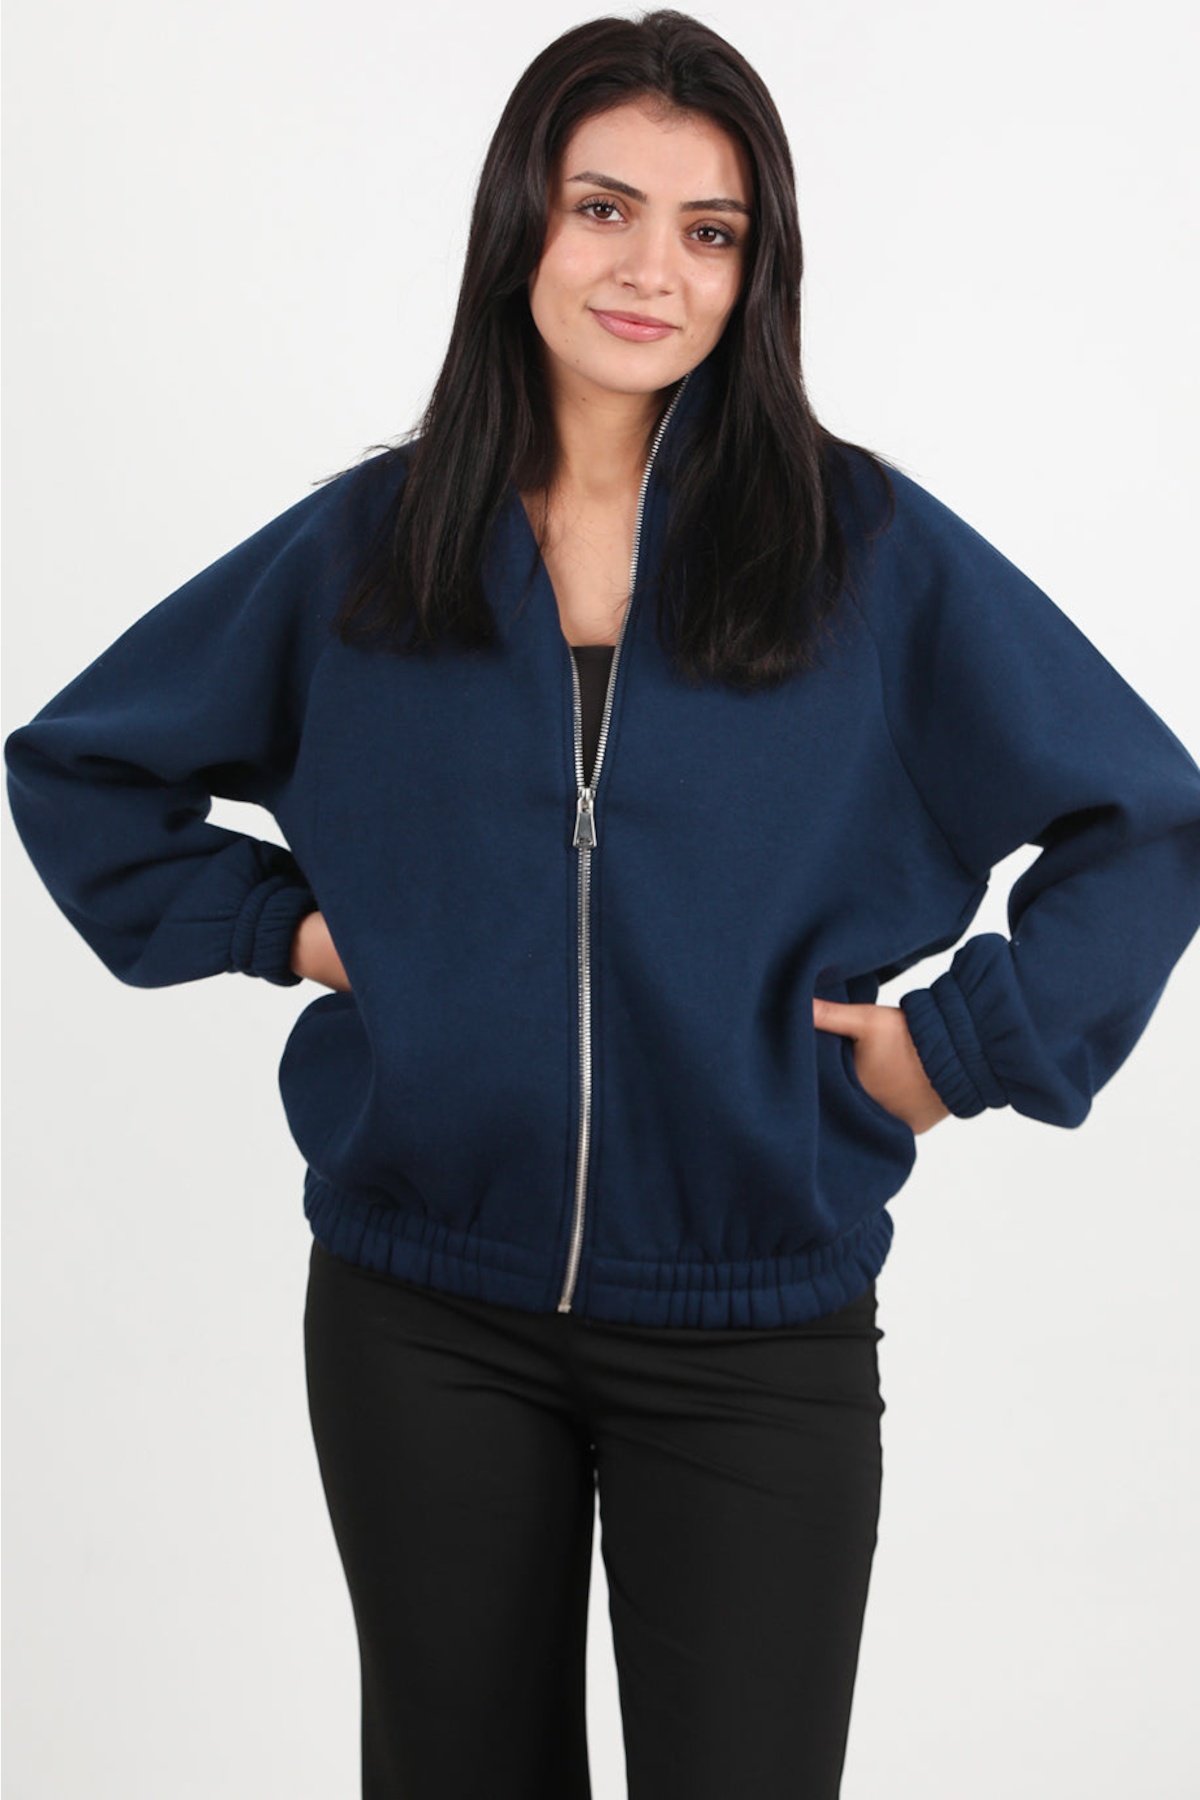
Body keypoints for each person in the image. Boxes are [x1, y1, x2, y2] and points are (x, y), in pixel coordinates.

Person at [6, 9, 1200, 1797]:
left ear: (754, 270)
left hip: (753, 1328)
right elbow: (80, 765)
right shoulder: (372, 549)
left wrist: (956, 1050)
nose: (652, 270)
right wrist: (294, 930)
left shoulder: (862, 553)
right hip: (421, 1314)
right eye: (603, 209)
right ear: (523, 226)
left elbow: (1147, 817)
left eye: (709, 231)